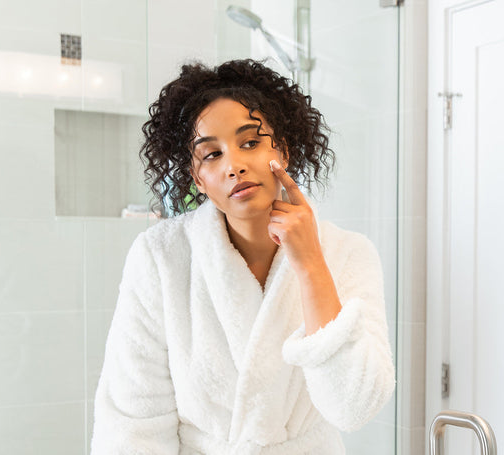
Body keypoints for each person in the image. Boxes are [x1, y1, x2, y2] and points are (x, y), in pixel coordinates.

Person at [90, 59, 394, 454]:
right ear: (197, 178)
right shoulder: (161, 258)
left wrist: (310, 264)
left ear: (281, 149)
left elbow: (353, 408)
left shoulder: (348, 254)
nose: (234, 165)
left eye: (250, 142)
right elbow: (133, 421)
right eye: (212, 155)